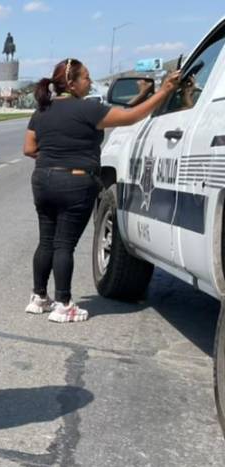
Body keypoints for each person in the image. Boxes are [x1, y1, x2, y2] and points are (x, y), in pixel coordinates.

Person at [23, 60, 180, 322]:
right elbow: (131, 117)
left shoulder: (42, 111)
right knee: (64, 244)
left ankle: (39, 297)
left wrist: (55, 157)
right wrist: (164, 91)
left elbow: (28, 149)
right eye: (85, 77)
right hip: (76, 183)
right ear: (71, 83)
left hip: (43, 180)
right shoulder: (89, 109)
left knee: (47, 241)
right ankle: (64, 304)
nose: (90, 81)